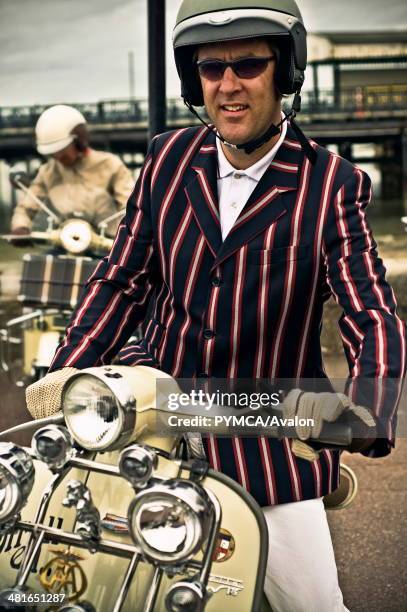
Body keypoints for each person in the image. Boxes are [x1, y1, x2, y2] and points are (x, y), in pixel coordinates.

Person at [26, 1, 406, 610]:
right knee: (100, 583)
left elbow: (370, 310)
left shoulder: (331, 183)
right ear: (192, 79)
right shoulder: (168, 160)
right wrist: (67, 371)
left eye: (249, 64)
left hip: (270, 429)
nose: (228, 86)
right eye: (211, 69)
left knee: (315, 604)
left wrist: (367, 407)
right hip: (154, 417)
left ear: (285, 71)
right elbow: (123, 277)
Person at [10, 104, 134, 238]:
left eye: (62, 151)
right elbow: (27, 208)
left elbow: (130, 204)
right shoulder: (47, 171)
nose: (57, 157)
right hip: (64, 239)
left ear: (79, 140)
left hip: (105, 241)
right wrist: (20, 227)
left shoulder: (110, 164)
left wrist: (130, 233)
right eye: (52, 153)